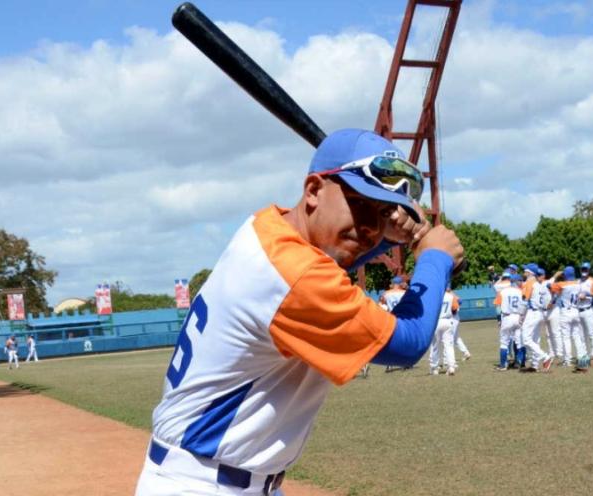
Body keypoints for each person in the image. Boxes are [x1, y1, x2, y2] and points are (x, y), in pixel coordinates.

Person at [134, 128, 464, 495]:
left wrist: (389, 236)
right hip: (203, 484)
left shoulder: (266, 228)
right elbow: (409, 342)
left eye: (382, 211)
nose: (369, 225)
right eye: (359, 204)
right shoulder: (294, 274)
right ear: (313, 191)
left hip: (221, 476)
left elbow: (335, 259)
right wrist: (435, 257)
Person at [551, 266, 590, 371]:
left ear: (565, 275)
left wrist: (555, 276)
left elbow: (549, 286)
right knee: (577, 336)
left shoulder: (561, 284)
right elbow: (584, 294)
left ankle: (567, 360)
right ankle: (582, 358)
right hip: (575, 310)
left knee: (566, 337)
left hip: (565, 312)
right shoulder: (578, 284)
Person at [518, 264, 553, 372]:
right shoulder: (540, 284)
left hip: (532, 313)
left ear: (530, 273)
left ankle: (545, 357)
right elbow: (548, 301)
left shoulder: (529, 283)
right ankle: (534, 365)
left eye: (525, 271)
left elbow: (524, 301)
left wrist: (521, 315)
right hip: (541, 313)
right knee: (535, 339)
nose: (524, 273)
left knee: (525, 339)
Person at [429, 286, 460, 375]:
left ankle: (434, 368)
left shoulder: (433, 296)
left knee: (435, 346)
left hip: (436, 321)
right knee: (449, 345)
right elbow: (455, 309)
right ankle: (451, 367)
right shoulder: (450, 296)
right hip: (447, 321)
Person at [493, 272, 521, 371]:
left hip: (507, 317)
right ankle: (519, 362)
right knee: (519, 341)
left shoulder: (502, 291)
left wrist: (499, 319)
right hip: (518, 317)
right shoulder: (520, 291)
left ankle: (503, 365)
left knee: (504, 342)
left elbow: (497, 305)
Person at [577, 261, 593, 359]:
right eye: (583, 269)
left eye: (586, 269)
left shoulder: (592, 281)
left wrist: (587, 294)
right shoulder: (578, 282)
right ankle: (584, 353)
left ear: (589, 270)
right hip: (578, 310)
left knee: (591, 332)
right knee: (581, 334)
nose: (584, 270)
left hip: (588, 310)